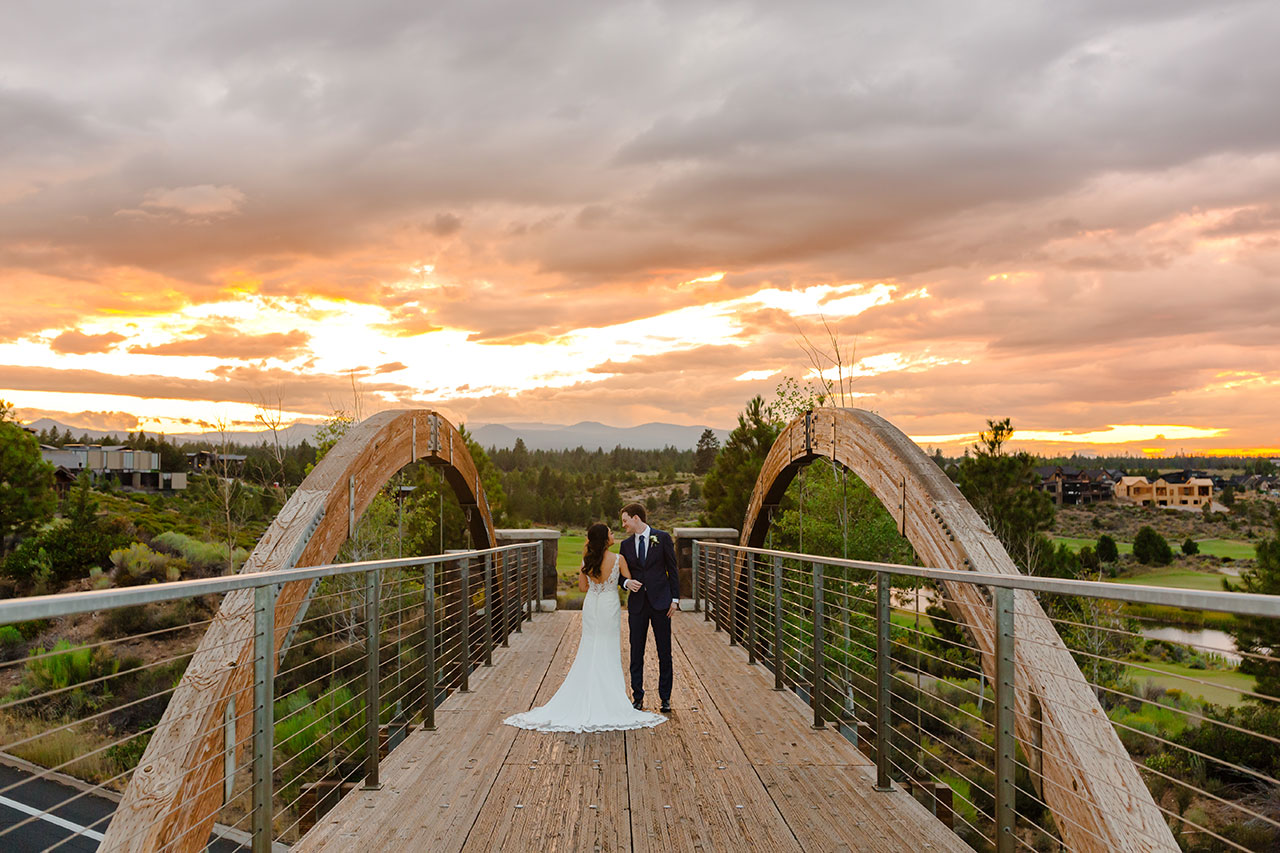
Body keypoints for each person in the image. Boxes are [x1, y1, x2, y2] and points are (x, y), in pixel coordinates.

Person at [503, 522, 667, 733]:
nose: (613, 534)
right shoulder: (619, 559)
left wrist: (597, 586)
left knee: (589, 645)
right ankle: (609, 696)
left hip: (592, 604)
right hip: (609, 605)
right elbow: (628, 581)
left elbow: (582, 587)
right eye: (610, 532)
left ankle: (585, 690)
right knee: (608, 647)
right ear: (605, 539)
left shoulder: (587, 560)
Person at [618, 503, 679, 713]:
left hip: (662, 603)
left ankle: (665, 698)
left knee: (665, 652)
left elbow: (673, 569)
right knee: (636, 651)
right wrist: (627, 583)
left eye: (625, 520)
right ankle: (638, 697)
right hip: (637, 605)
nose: (623, 524)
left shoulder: (662, 538)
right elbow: (620, 575)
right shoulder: (625, 546)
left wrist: (675, 599)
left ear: (636, 518)